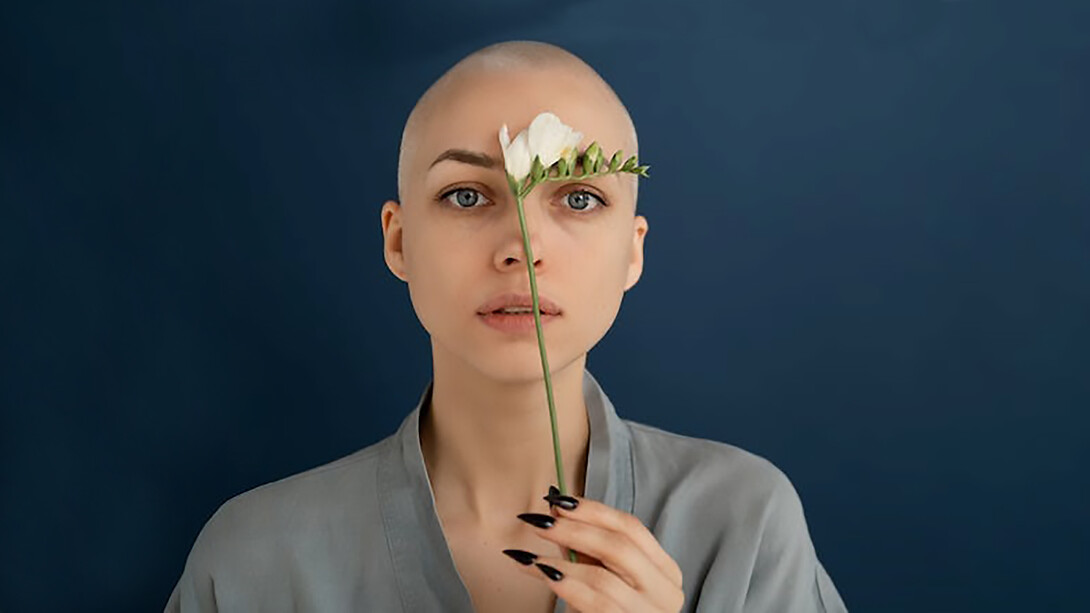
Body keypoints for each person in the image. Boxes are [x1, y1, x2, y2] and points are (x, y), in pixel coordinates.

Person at [165, 40, 848, 613]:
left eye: (579, 197)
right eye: (467, 195)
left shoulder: (744, 524)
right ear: (398, 241)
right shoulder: (255, 560)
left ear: (633, 250)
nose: (523, 245)